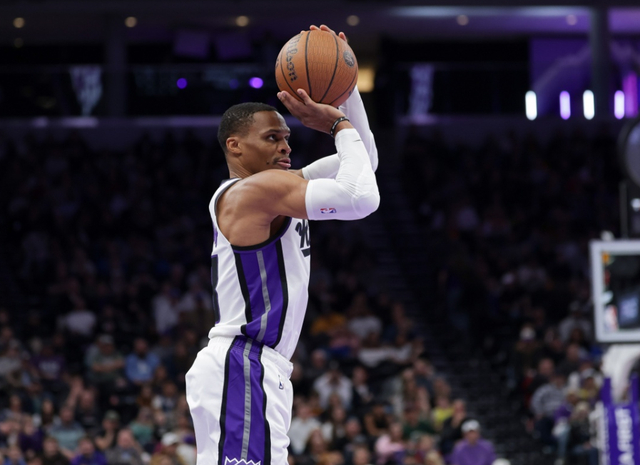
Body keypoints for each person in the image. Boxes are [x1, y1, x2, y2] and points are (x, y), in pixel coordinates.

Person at [185, 24, 379, 465]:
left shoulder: (276, 188)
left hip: (257, 366)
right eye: (272, 138)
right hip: (244, 362)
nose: (286, 146)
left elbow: (363, 163)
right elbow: (362, 198)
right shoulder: (257, 191)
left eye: (288, 137)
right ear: (235, 146)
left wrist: (345, 85)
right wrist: (337, 123)